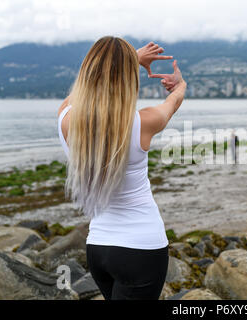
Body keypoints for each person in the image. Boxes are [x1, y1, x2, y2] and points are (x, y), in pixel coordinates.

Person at [57, 36, 186, 300]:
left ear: (88, 72)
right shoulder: (143, 122)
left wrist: (130, 60)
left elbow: (80, 94)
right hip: (142, 249)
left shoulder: (66, 119)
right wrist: (179, 85)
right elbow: (173, 101)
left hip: (98, 248)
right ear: (127, 77)